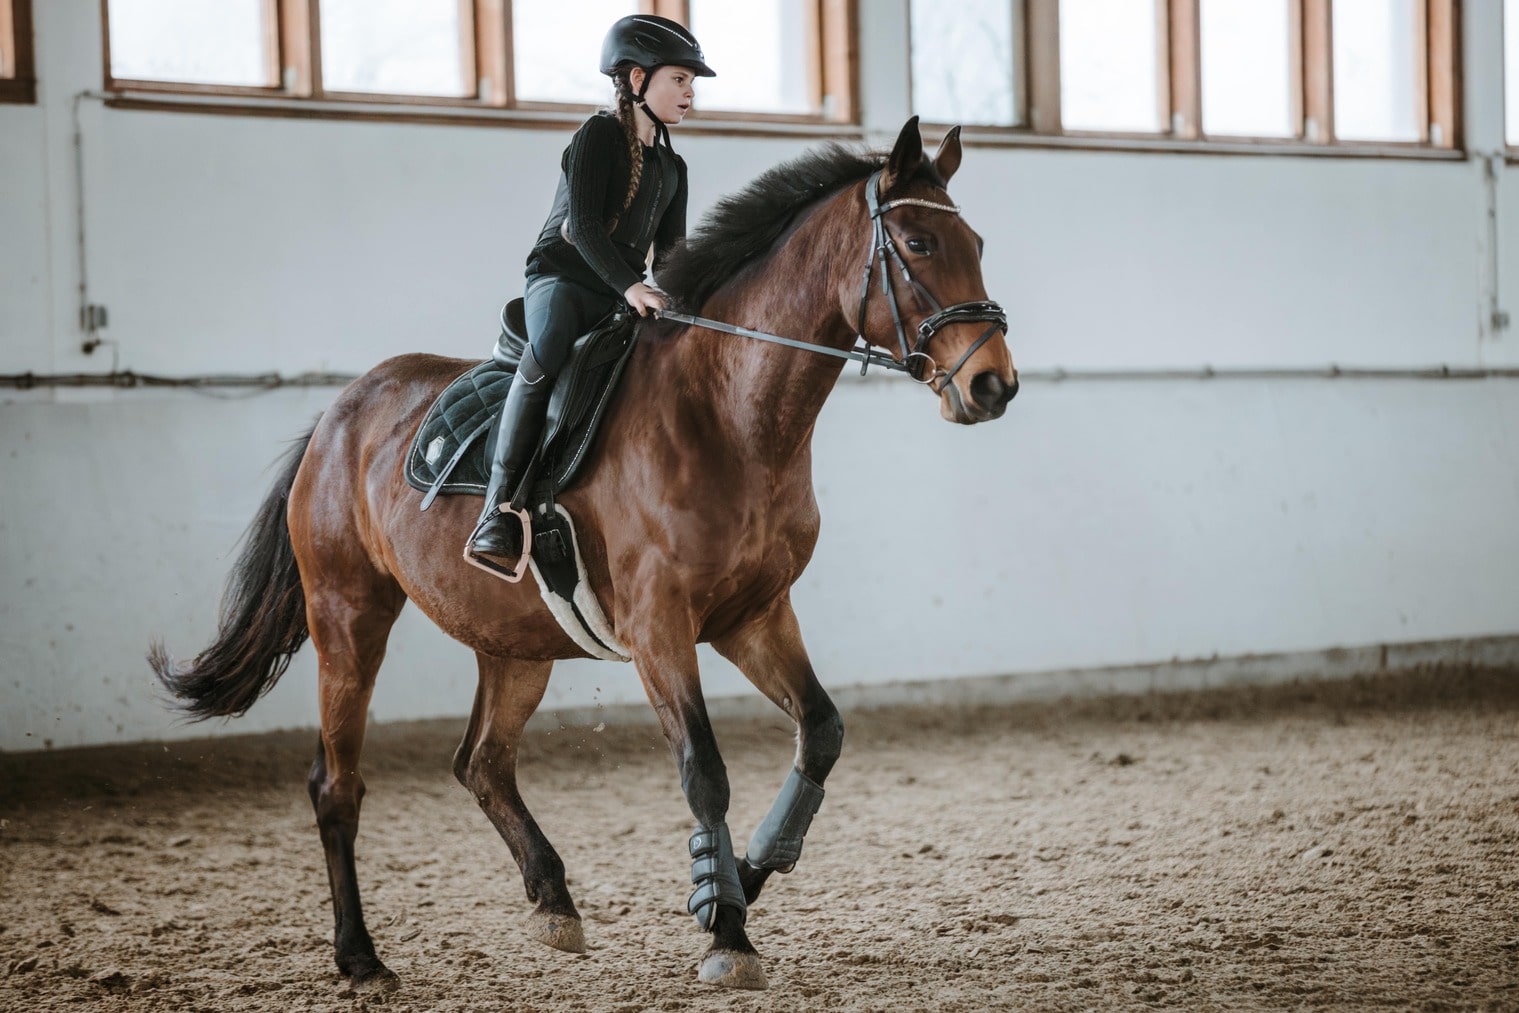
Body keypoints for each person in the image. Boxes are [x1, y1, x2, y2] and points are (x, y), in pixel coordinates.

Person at [468, 15, 714, 564]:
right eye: (679, 79)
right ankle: (497, 509)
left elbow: (669, 255)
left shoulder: (673, 168)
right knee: (550, 347)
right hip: (562, 279)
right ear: (636, 79)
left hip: (619, 292)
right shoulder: (598, 136)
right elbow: (580, 228)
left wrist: (694, 297)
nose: (690, 92)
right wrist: (632, 286)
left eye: (691, 82)